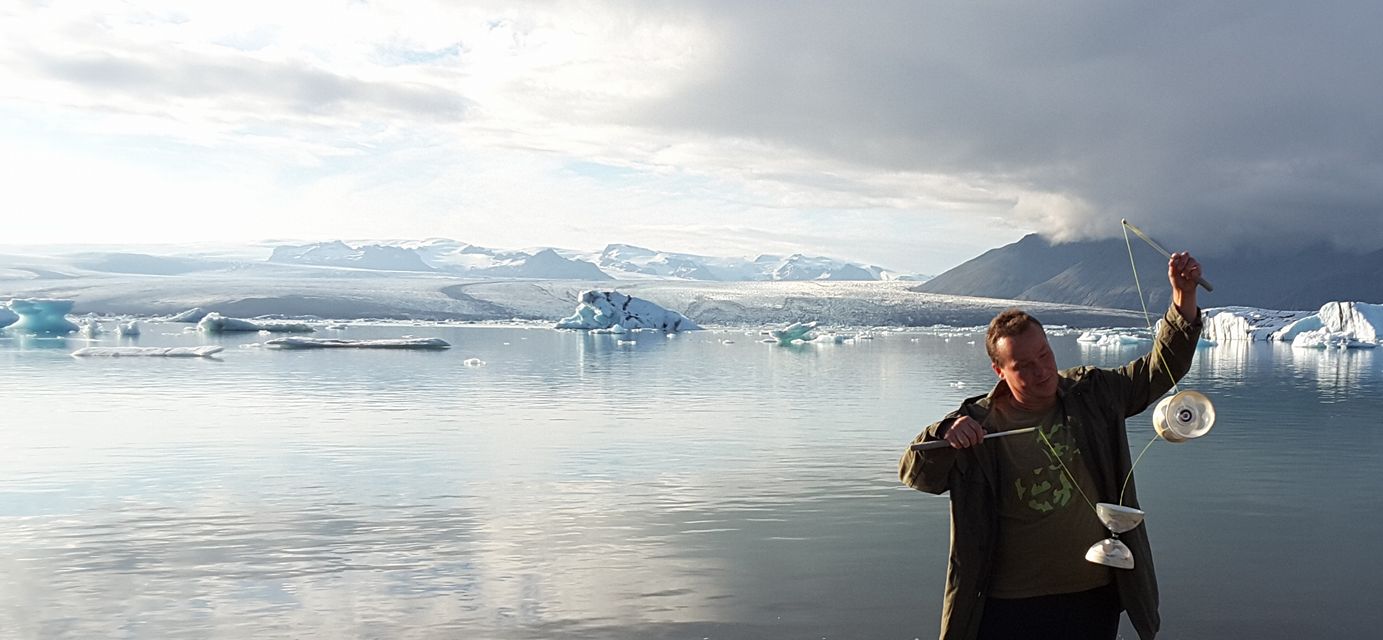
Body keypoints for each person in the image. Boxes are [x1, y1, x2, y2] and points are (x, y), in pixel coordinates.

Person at [899, 252, 1204, 640]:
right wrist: (944, 434)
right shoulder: (978, 423)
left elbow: (1159, 371)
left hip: (1092, 594)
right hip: (1007, 604)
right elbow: (914, 471)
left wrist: (1183, 298)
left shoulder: (1092, 394)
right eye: (1023, 365)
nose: (1041, 370)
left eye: (1043, 355)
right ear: (999, 370)